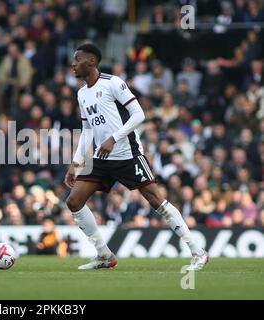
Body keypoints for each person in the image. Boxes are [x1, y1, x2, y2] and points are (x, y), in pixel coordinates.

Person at [65, 44, 208, 271]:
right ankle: (104, 254)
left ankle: (198, 252)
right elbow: (87, 130)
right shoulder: (82, 93)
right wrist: (76, 162)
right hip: (101, 157)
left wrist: (113, 138)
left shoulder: (113, 83)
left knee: (156, 201)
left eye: (78, 59)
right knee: (73, 201)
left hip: (127, 154)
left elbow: (139, 114)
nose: (73, 64)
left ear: (91, 62)